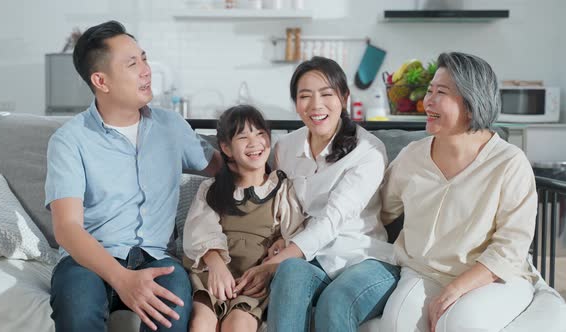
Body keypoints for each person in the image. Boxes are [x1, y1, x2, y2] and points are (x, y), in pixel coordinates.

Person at [44, 20, 222, 332]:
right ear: (101, 80)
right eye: (132, 63)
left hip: (157, 259)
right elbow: (68, 228)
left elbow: (224, 169)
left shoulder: (172, 127)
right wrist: (122, 279)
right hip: (89, 261)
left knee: (175, 307)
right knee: (78, 310)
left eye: (144, 58)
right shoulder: (69, 140)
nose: (146, 69)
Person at [235, 56, 400, 332]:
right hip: (311, 259)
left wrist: (274, 261)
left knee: (336, 301)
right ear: (296, 103)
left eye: (326, 94)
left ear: (344, 98)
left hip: (364, 257)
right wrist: (280, 243)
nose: (316, 105)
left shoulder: (368, 152)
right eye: (305, 96)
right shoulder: (285, 148)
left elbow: (332, 220)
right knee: (289, 271)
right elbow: (280, 205)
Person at [379, 52, 537, 332]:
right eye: (429, 90)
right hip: (423, 272)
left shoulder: (509, 163)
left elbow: (511, 247)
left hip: (492, 276)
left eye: (441, 92)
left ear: (471, 105)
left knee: (461, 323)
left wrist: (457, 288)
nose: (427, 101)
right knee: (395, 323)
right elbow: (379, 211)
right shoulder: (411, 157)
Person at [182, 105, 306, 332]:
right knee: (201, 324)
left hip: (252, 282)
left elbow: (296, 232)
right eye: (243, 137)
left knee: (238, 326)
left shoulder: (281, 187)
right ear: (226, 148)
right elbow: (199, 230)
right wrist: (216, 264)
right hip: (213, 275)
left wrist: (281, 244)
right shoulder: (212, 189)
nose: (254, 142)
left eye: (260, 134)